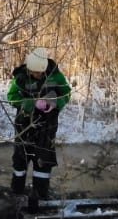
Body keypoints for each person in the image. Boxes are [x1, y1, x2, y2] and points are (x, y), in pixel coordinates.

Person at [7, 47, 71, 207]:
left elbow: (66, 94)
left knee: (43, 159)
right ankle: (17, 191)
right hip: (25, 123)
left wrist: (55, 104)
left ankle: (41, 193)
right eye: (34, 72)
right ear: (29, 68)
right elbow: (11, 97)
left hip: (47, 125)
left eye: (39, 72)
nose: (37, 75)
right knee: (20, 157)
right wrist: (30, 103)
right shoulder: (20, 77)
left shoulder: (55, 76)